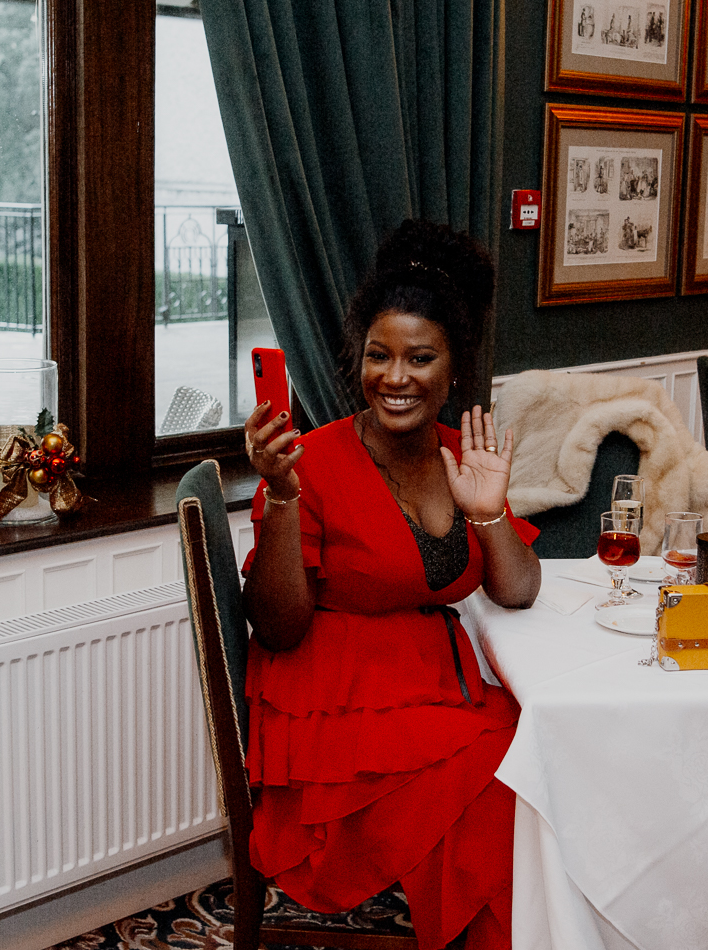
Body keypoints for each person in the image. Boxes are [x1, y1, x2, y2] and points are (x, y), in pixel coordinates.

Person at [241, 219, 542, 950]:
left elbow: (519, 589)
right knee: (509, 788)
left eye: (419, 358)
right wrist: (280, 497)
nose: (395, 377)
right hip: (336, 727)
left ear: (454, 370)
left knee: (543, 766)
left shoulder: (459, 454)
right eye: (379, 355)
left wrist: (491, 513)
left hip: (434, 694)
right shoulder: (307, 464)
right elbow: (279, 628)